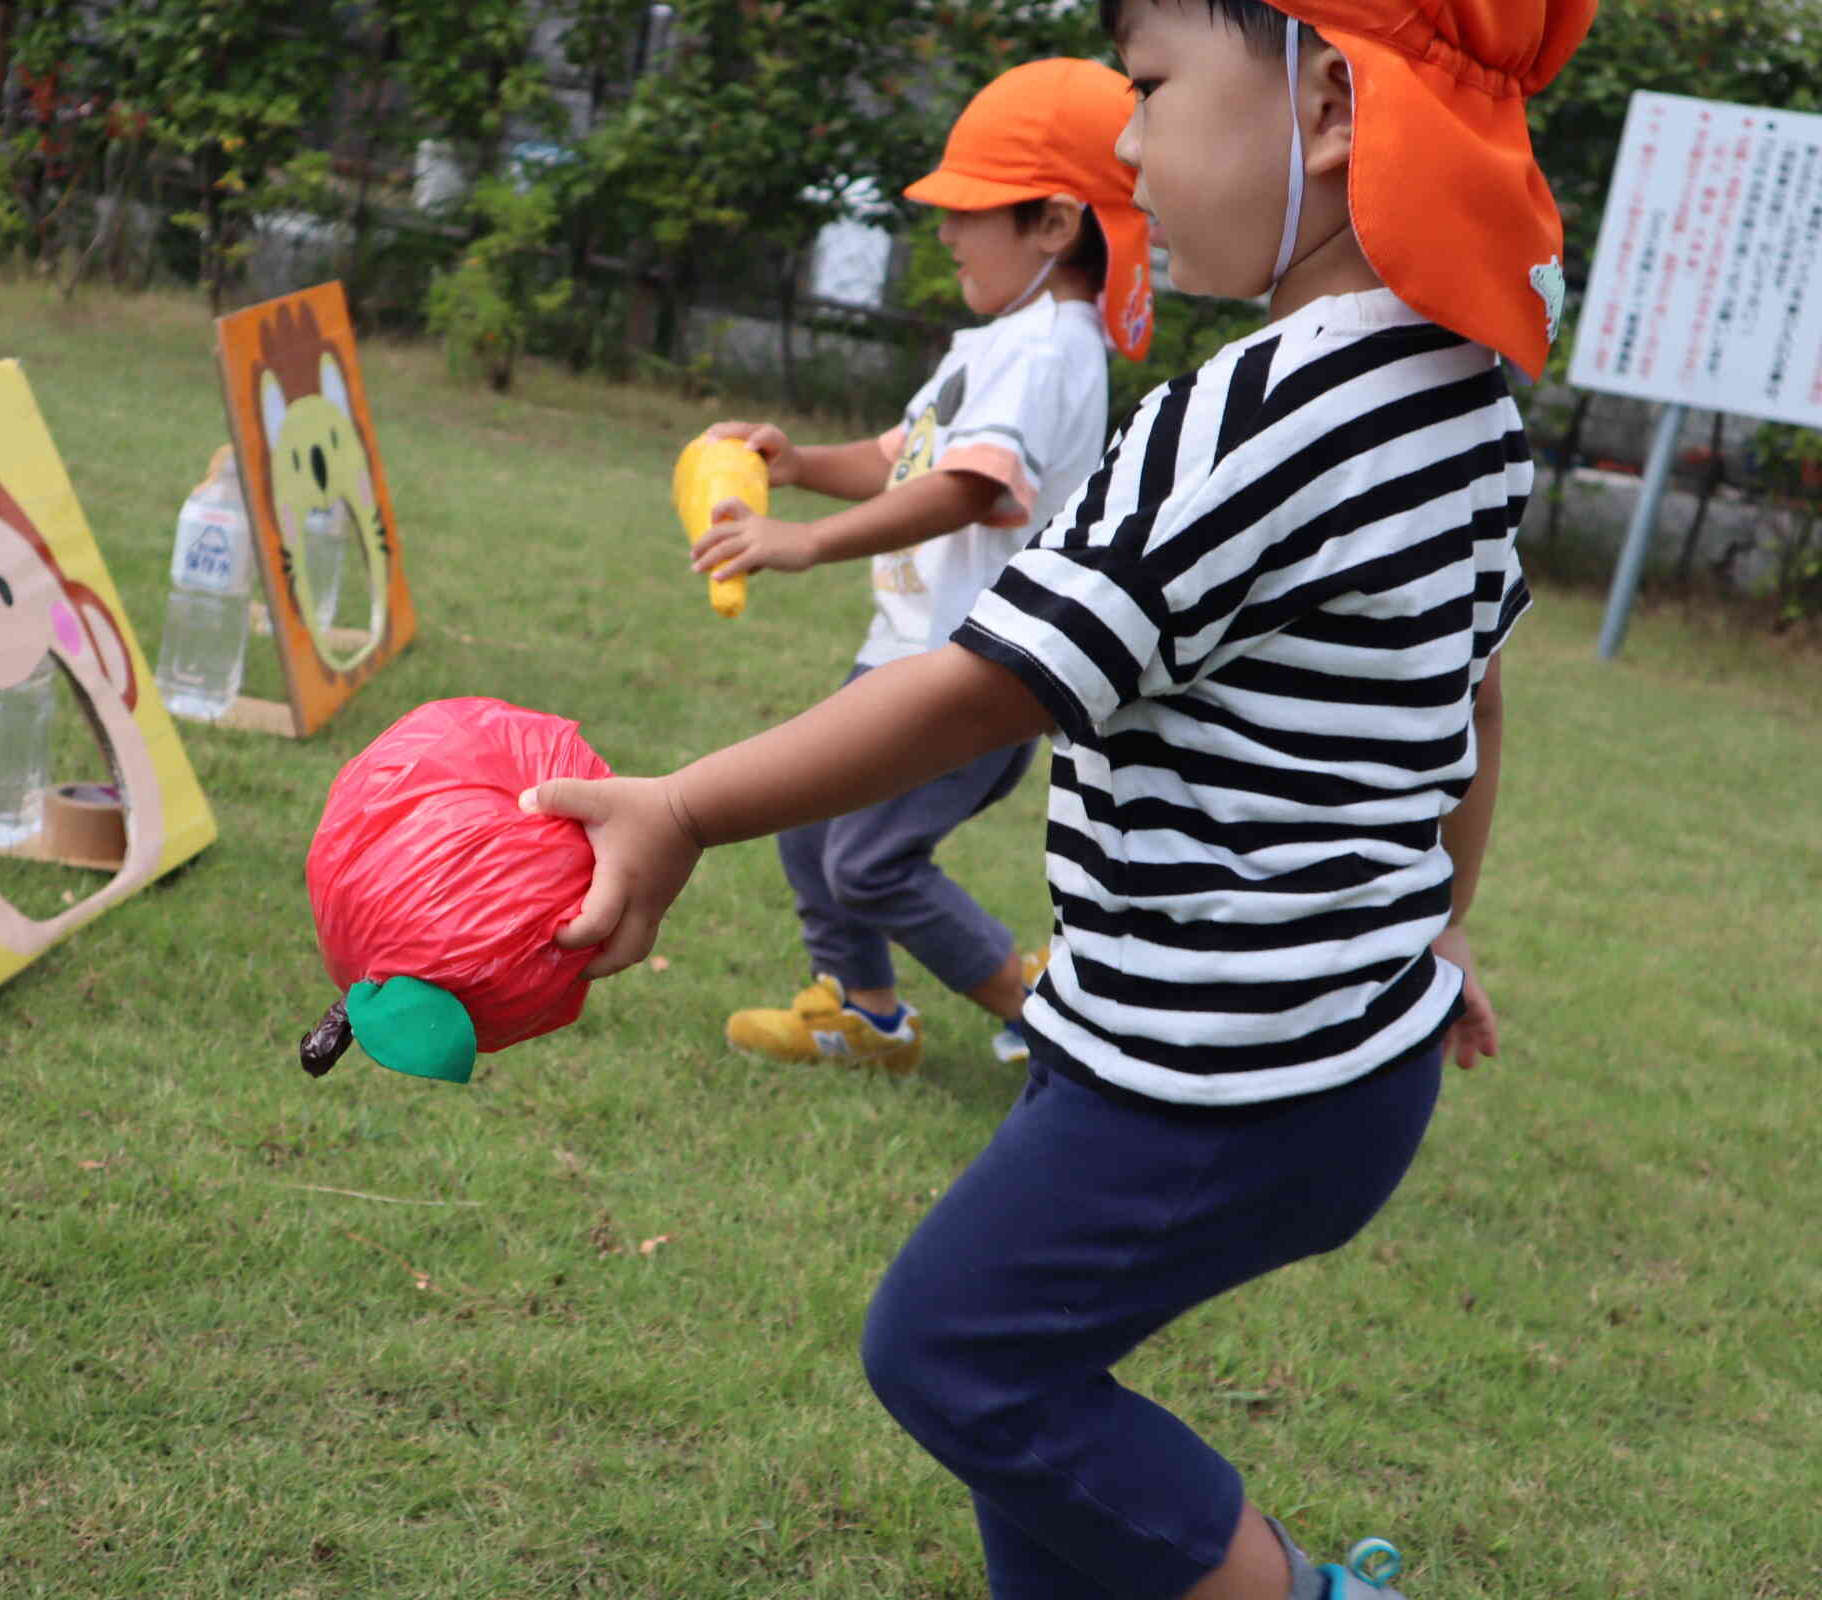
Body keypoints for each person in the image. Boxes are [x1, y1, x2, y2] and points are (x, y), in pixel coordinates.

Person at [525, 0, 1592, 1592]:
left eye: (1152, 90)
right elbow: (1467, 698)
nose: (1128, 145)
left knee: (959, 1356)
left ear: (1329, 105)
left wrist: (683, 808)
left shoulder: (1253, 420)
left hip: (1216, 1070)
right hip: (1304, 1047)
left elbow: (988, 679)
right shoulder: (1470, 409)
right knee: (1026, 1407)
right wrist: (1430, 934)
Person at [689, 58, 1155, 1075]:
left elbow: (969, 489)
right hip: (907, 655)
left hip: (973, 675)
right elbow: (910, 462)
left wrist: (803, 543)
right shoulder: (997, 344)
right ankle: (868, 1014)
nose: (944, 232)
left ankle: (1052, 1018)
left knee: (869, 859)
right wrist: (800, 465)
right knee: (809, 827)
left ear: (1055, 225)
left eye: (969, 210)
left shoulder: (1048, 350)